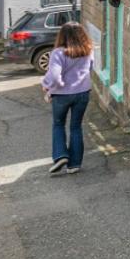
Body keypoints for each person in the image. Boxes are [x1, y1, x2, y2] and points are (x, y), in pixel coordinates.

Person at [41, 21, 94, 176]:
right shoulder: (88, 50)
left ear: (62, 35)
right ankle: (75, 164)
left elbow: (55, 77)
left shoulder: (58, 53)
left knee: (58, 124)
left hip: (62, 95)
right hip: (83, 93)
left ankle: (61, 156)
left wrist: (47, 86)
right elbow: (90, 68)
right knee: (76, 127)